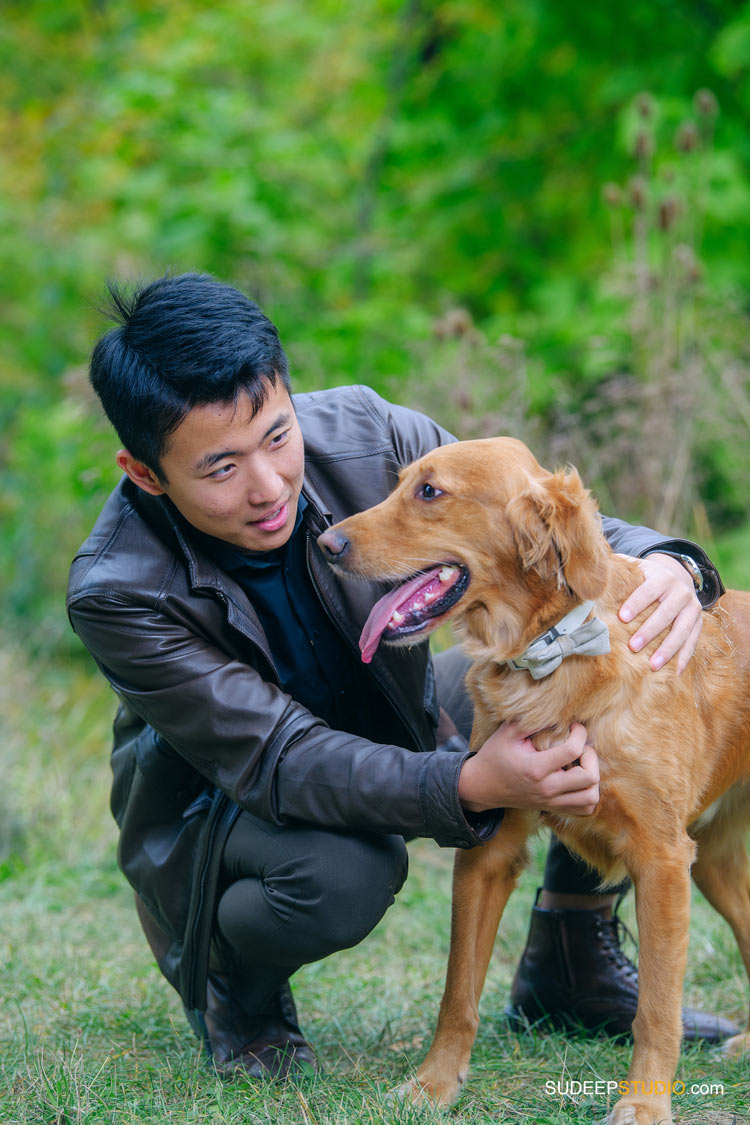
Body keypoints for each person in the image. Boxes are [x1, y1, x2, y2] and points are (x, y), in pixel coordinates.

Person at [67, 272, 733, 1081]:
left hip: (386, 709)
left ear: (284, 391)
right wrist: (472, 783)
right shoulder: (117, 590)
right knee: (343, 873)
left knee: (574, 683)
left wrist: (672, 561)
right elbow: (283, 759)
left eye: (278, 435)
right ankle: (233, 981)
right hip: (233, 807)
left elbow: (531, 514)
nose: (270, 486)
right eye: (221, 468)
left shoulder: (367, 429)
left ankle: (569, 950)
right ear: (145, 472)